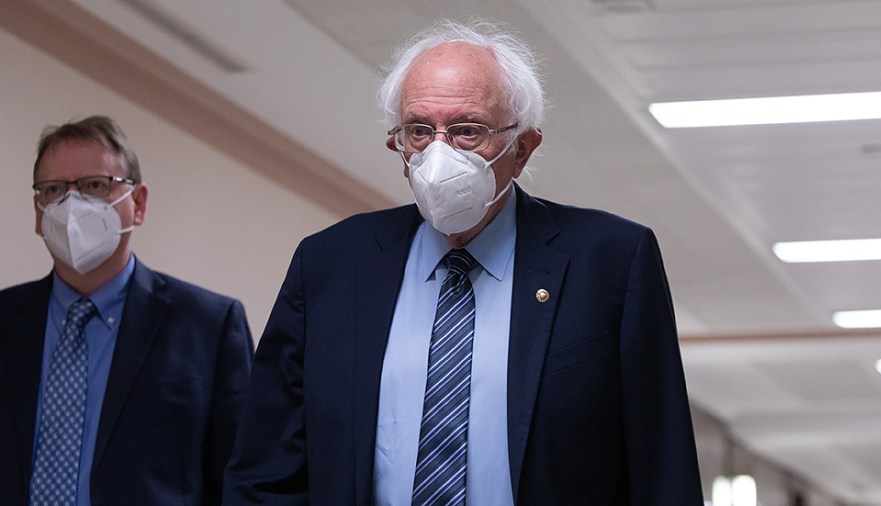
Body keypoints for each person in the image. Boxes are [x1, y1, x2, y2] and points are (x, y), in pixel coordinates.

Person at [224, 19, 702, 505]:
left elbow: (662, 466)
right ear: (398, 144)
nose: (438, 154)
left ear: (523, 148)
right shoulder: (330, 266)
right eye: (418, 131)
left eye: (466, 131)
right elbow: (266, 468)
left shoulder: (610, 262)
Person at [0, 115, 254, 505]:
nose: (71, 204)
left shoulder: (208, 327)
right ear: (38, 212)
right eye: (53, 190)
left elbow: (242, 477)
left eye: (95, 186)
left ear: (138, 203)